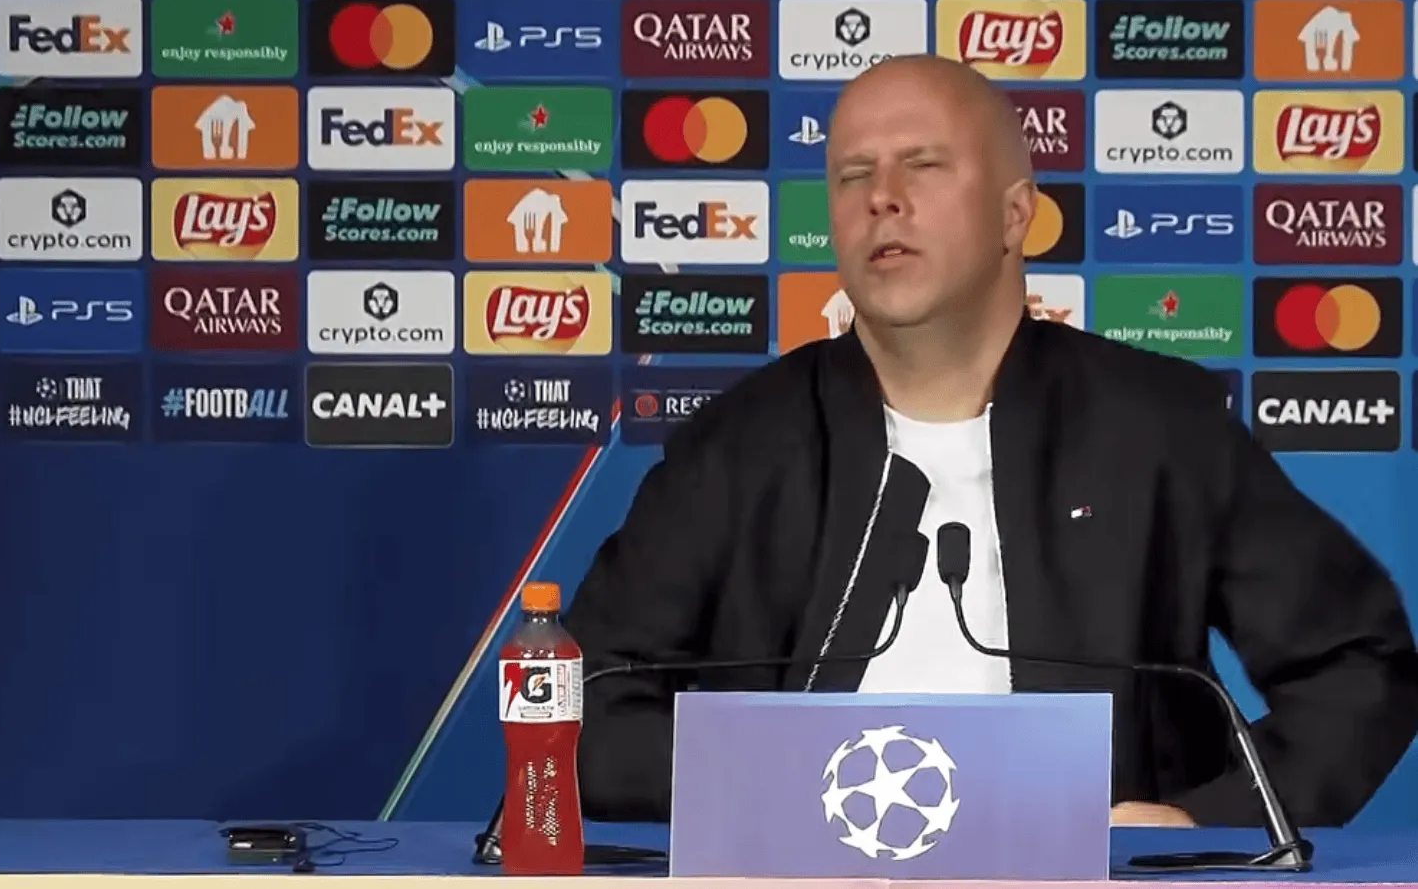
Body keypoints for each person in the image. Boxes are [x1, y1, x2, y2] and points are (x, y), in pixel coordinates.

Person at [562, 55, 1418, 828]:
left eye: (923, 165)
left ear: (1016, 215)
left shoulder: (1162, 427)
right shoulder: (737, 445)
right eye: (853, 173)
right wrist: (755, 790)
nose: (881, 196)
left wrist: (1201, 821)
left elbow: (1360, 668)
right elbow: (581, 700)